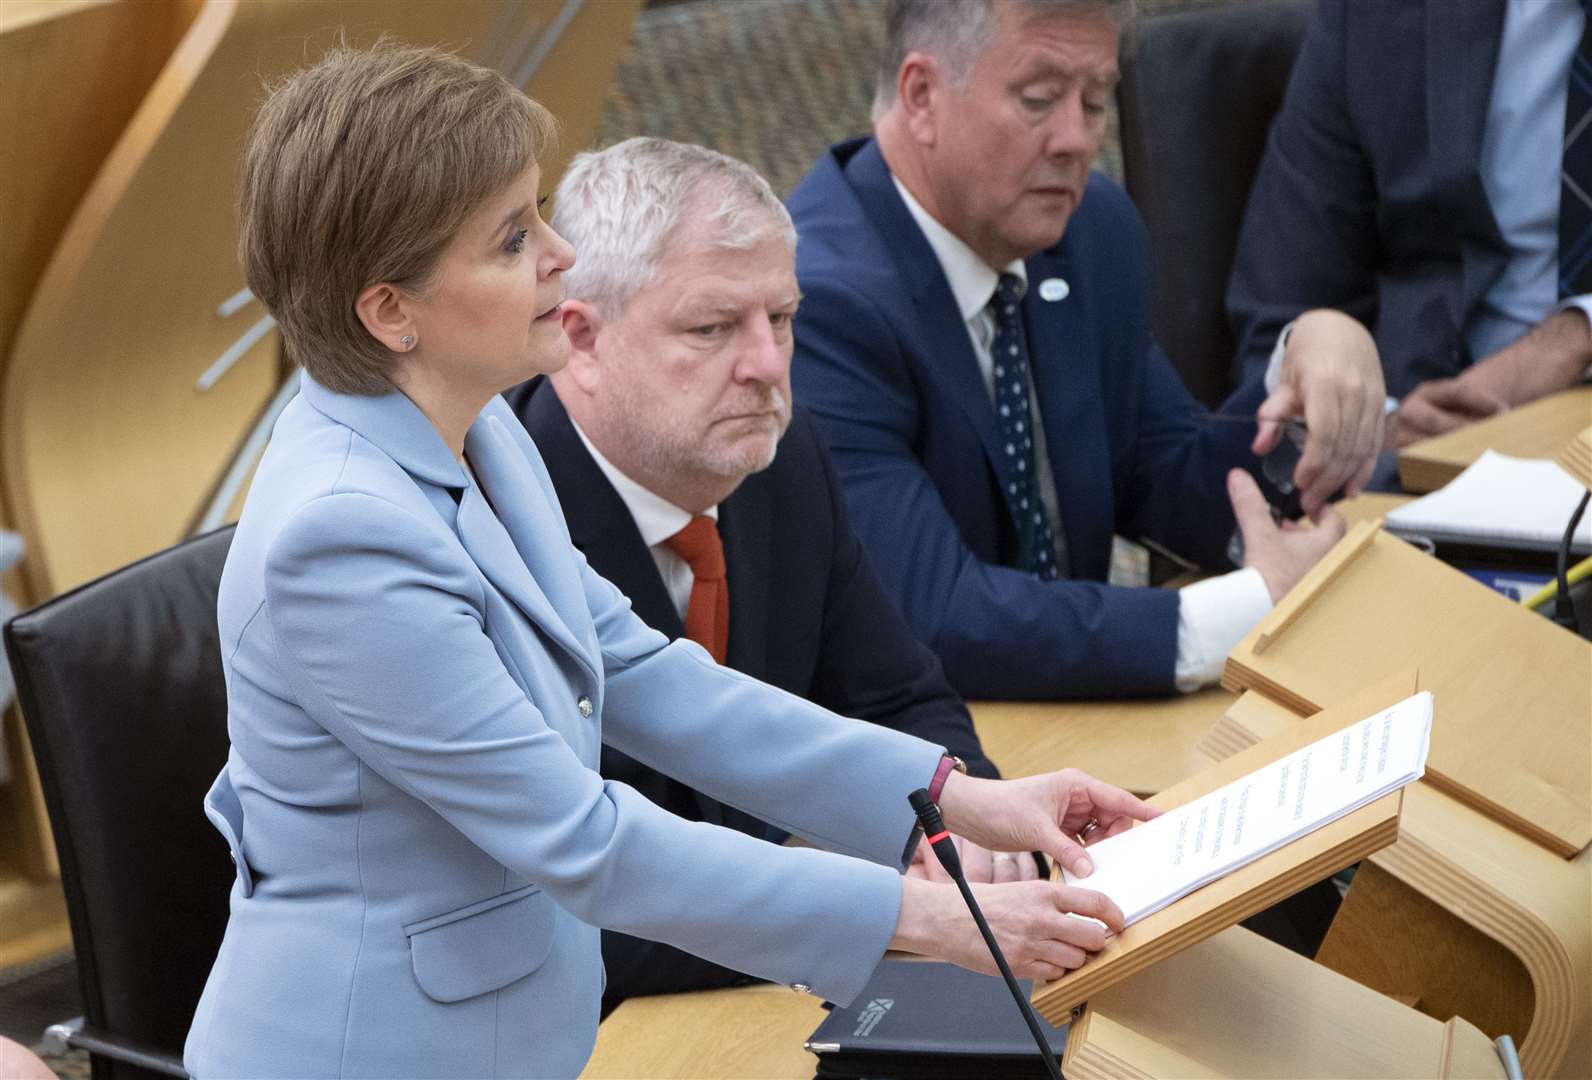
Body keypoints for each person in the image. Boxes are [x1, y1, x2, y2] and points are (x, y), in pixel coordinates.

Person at [184, 43, 1157, 1079]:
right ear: (391, 312)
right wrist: (929, 919)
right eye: (513, 240)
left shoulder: (477, 429)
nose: (560, 259)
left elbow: (644, 672)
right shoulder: (339, 540)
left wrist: (949, 797)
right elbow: (589, 841)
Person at [507, 137, 1033, 1013]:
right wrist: (885, 910)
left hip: (755, 1000)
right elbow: (561, 902)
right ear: (582, 339)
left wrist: (957, 829)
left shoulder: (778, 463)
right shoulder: (502, 531)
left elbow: (899, 696)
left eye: (781, 320)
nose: (766, 366)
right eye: (712, 328)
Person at [787, 0, 1387, 701]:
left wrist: (1311, 362)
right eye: (1039, 100)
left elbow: (1170, 481)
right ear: (922, 97)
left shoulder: (1088, 232)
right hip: (913, 766)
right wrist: (1237, 613)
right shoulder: (818, 304)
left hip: (1081, 734)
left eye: (1096, 102)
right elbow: (933, 615)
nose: (1077, 140)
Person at [1229, 0, 1592, 450]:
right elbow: (1284, 314)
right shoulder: (1375, 18)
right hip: (1431, 453)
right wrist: (1366, 430)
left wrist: (1576, 336)